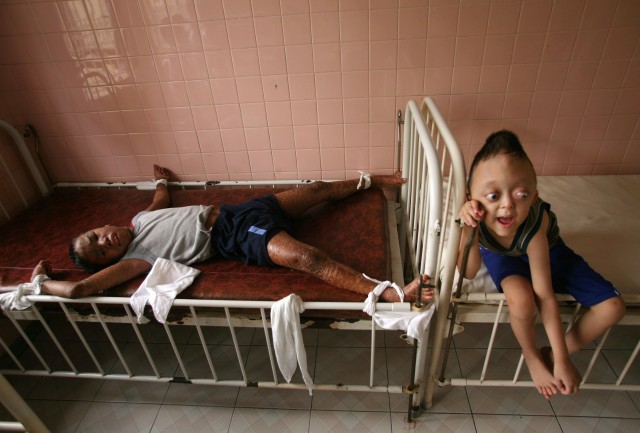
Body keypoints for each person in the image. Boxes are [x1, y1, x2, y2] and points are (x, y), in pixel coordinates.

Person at [31, 165, 432, 304]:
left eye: (96, 237)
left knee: (317, 190)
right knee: (307, 258)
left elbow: (160, 198)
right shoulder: (138, 258)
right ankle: (391, 293)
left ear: (100, 226)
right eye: (101, 252)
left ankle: (378, 180)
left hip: (244, 210)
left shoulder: (140, 219)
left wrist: (160, 180)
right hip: (236, 235)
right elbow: (80, 291)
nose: (106, 242)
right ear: (112, 263)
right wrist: (42, 284)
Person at [458, 130, 625, 400]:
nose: (507, 205)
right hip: (501, 256)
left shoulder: (535, 227)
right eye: (492, 196)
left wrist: (561, 360)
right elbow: (468, 272)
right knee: (521, 299)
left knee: (613, 307)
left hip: (550, 252)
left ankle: (550, 353)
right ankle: (532, 356)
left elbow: (546, 296)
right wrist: (468, 230)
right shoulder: (473, 219)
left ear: (535, 197)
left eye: (521, 194)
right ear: (470, 197)